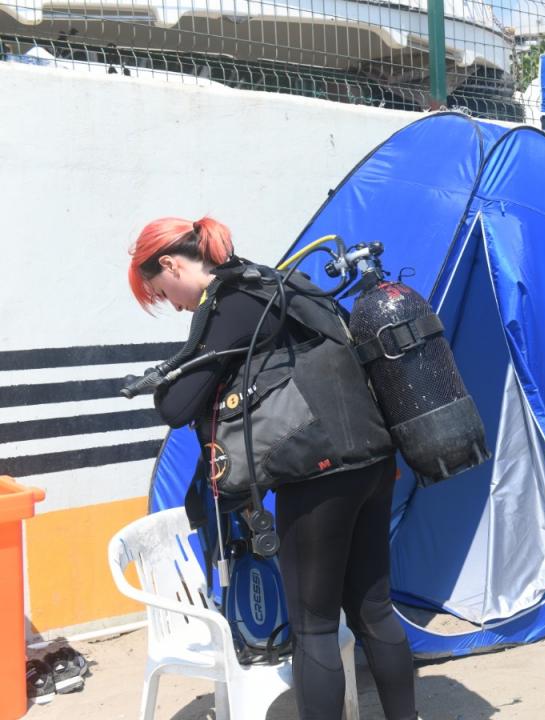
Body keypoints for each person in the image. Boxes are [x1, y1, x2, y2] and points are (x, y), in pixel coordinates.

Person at [128, 217, 419, 720]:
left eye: (163, 292)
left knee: (315, 628)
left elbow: (177, 405)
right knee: (373, 610)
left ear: (172, 265)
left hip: (317, 474)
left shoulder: (230, 302)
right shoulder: (276, 283)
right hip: (373, 460)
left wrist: (160, 379)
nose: (173, 305)